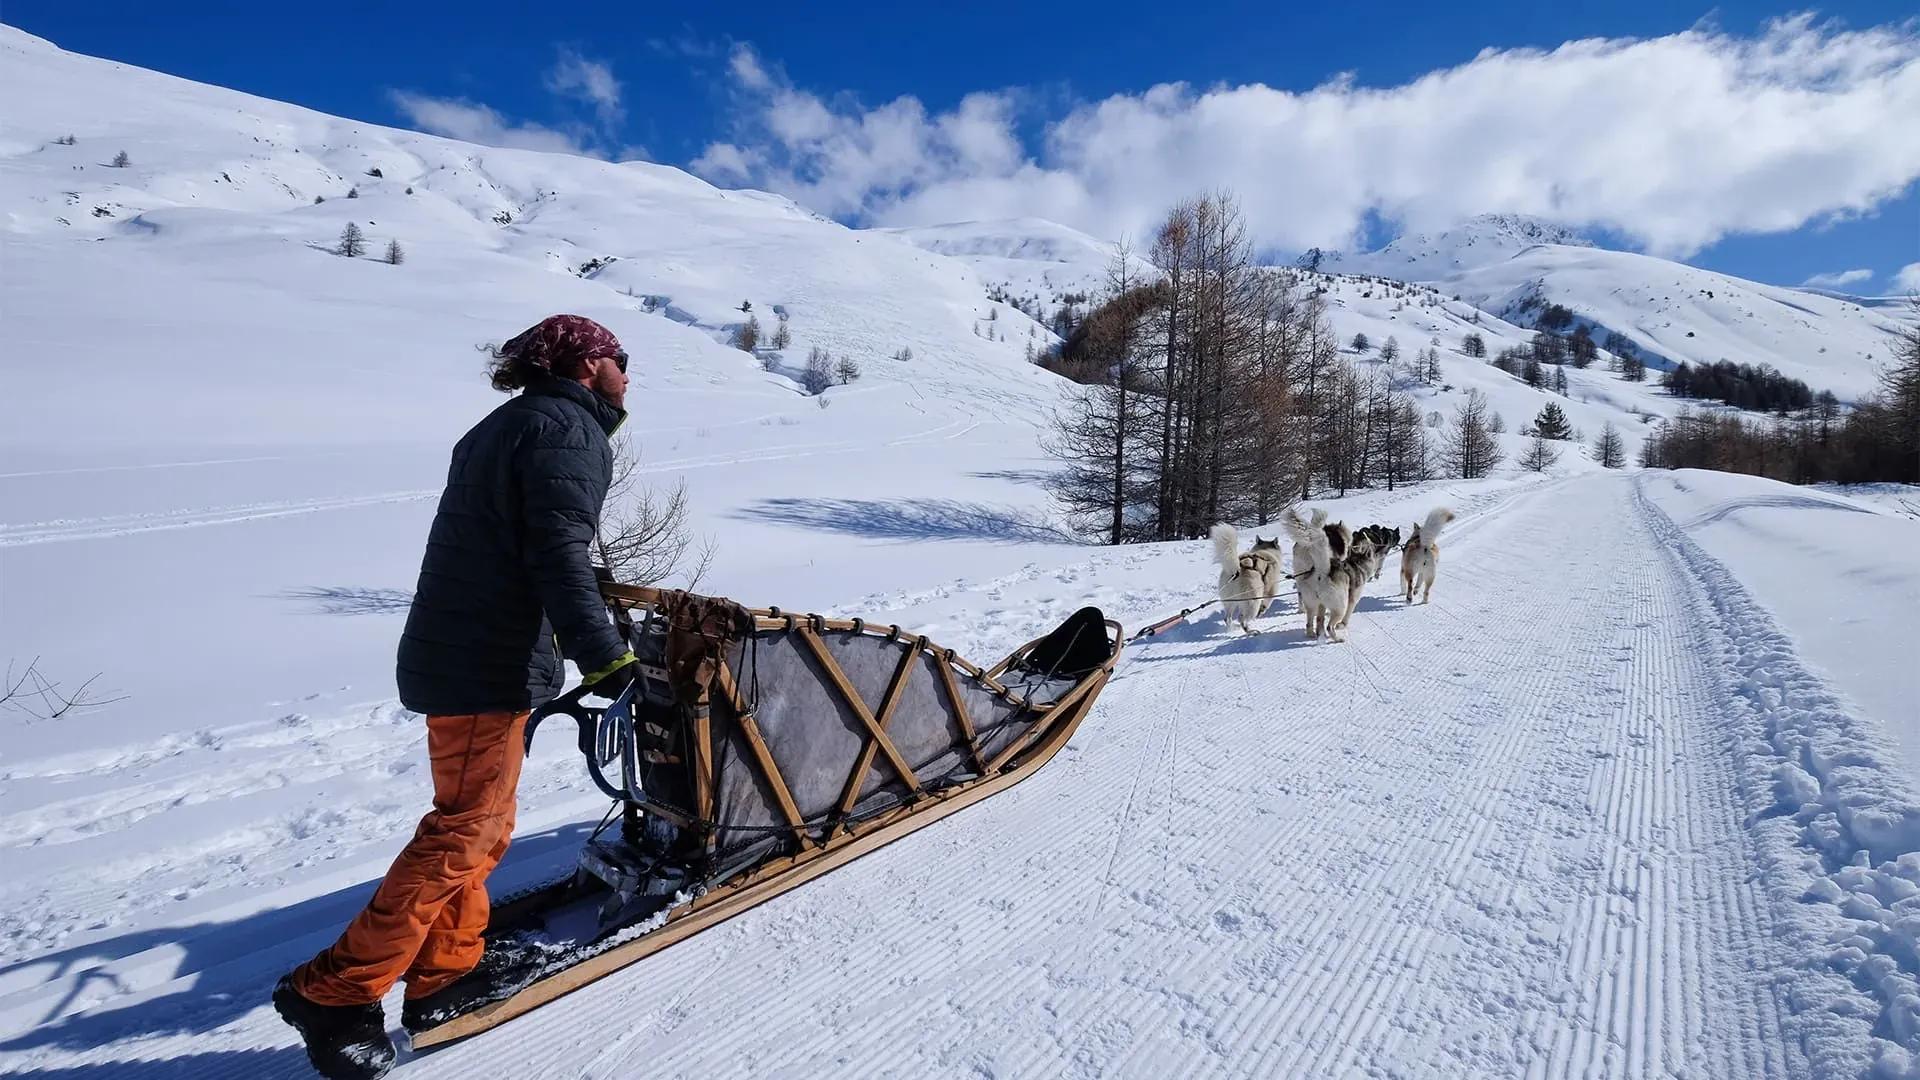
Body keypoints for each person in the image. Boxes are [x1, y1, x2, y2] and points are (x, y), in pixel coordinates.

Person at [272, 314, 641, 1080]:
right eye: (619, 358)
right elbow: (557, 553)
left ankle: (447, 972)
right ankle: (334, 992)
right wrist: (606, 658)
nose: (627, 374)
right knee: (465, 830)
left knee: (483, 824)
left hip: (470, 650)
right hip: (484, 659)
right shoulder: (565, 430)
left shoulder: (506, 425)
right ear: (584, 365)